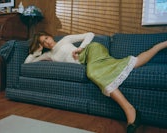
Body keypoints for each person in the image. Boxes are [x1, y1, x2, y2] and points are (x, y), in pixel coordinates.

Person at [24, 31, 167, 133]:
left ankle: (130, 110)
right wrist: (37, 51)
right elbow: (27, 63)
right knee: (133, 64)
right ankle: (160, 46)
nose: (47, 41)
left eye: (47, 38)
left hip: (92, 50)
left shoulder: (65, 40)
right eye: (43, 42)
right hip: (91, 62)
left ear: (50, 35)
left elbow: (90, 34)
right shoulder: (49, 55)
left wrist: (80, 48)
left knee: (92, 72)